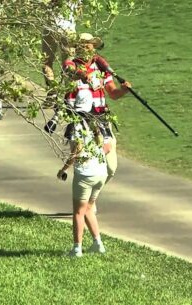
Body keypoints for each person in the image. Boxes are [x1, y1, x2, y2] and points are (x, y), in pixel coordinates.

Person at [61, 32, 131, 213]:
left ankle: (91, 200)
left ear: (93, 46)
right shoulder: (71, 63)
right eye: (82, 44)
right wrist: (82, 75)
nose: (85, 47)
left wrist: (124, 91)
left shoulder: (101, 66)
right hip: (80, 120)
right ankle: (81, 205)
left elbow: (113, 93)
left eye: (89, 44)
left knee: (110, 167)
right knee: (82, 160)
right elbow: (69, 71)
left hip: (101, 119)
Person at [57, 116, 108, 257]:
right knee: (89, 208)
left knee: (79, 212)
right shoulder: (96, 122)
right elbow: (106, 147)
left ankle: (76, 249)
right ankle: (98, 244)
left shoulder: (75, 126)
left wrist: (63, 170)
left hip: (86, 175)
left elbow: (76, 152)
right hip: (101, 172)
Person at [42, 1, 82, 86]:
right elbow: (79, 11)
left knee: (47, 62)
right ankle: (69, 94)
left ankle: (53, 91)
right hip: (69, 30)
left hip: (51, 28)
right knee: (69, 64)